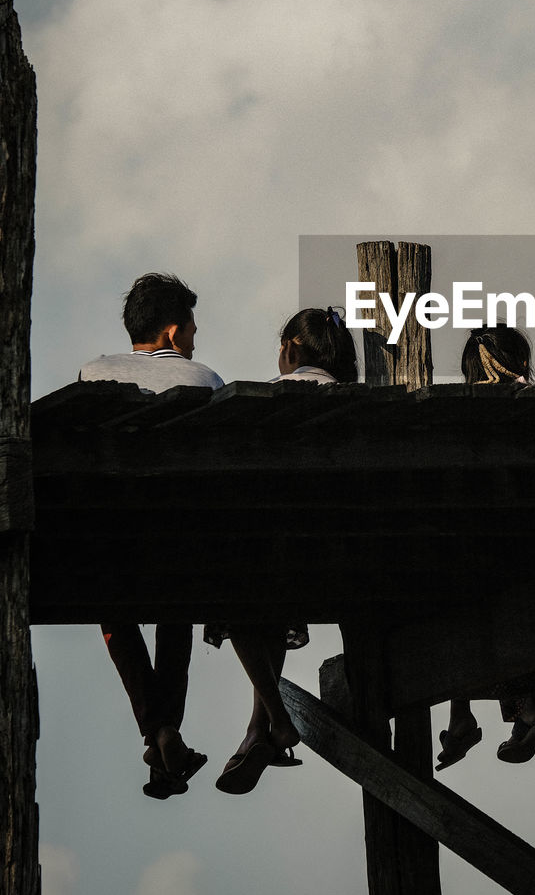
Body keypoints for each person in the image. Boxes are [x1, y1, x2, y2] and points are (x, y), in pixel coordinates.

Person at [79, 272, 224, 799]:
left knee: (113, 606)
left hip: (108, 541)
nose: (194, 340)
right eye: (190, 328)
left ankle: (161, 732)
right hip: (181, 544)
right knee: (176, 604)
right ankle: (164, 733)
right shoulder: (203, 379)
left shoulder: (91, 374)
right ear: (170, 332)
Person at [212, 307, 358, 795]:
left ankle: (276, 719)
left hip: (284, 558)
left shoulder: (272, 399)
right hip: (352, 559)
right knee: (265, 591)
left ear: (291, 349)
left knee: (239, 587)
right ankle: (259, 730)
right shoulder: (355, 401)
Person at [435, 325, 535, 771]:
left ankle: (471, 717)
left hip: (489, 547)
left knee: (458, 597)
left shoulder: (471, 412)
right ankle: (504, 714)